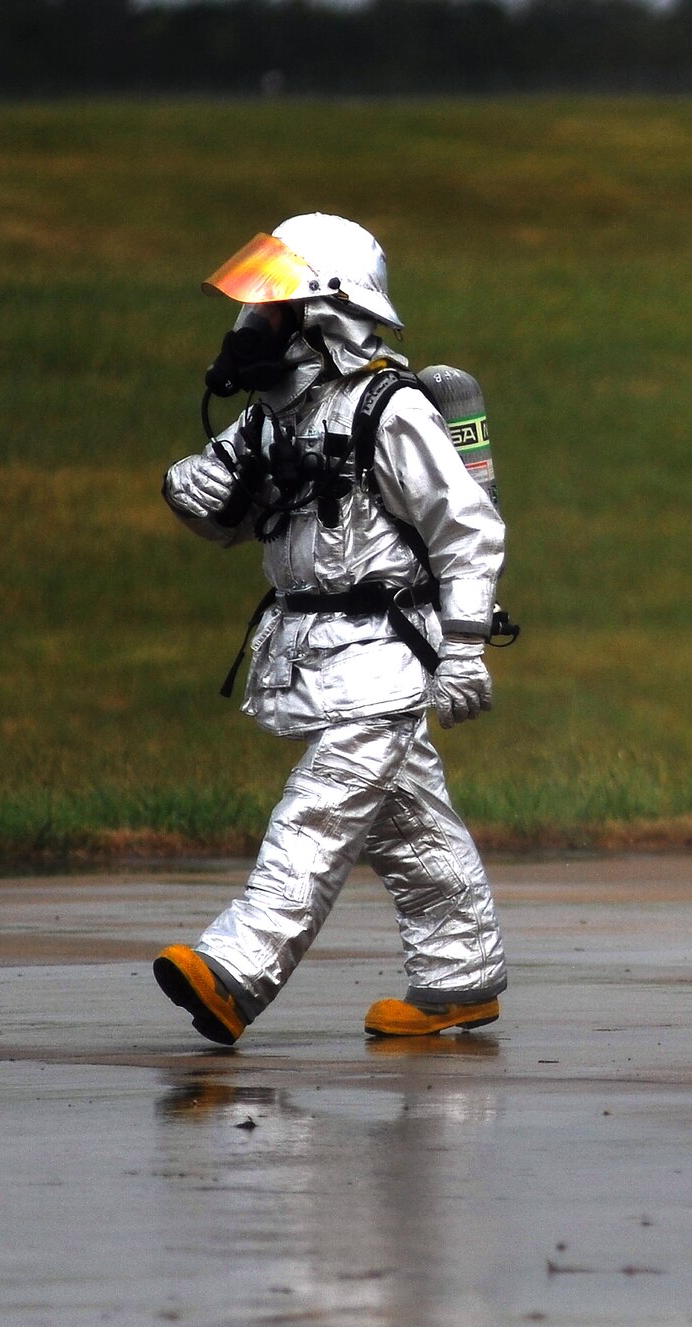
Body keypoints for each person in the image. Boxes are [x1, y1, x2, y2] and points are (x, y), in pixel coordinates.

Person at [154, 213, 509, 1044]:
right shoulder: (275, 417)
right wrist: (202, 491)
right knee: (410, 820)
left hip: (385, 655)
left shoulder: (390, 411)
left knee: (315, 814)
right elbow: (223, 507)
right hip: (317, 653)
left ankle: (235, 970)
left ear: (325, 313)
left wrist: (461, 649)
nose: (249, 329)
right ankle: (463, 974)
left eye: (267, 313)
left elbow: (468, 529)